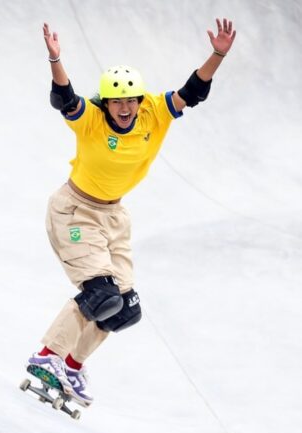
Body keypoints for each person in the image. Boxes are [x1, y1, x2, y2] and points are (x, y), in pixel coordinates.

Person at [27, 19, 236, 407]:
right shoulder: (90, 120)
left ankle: (72, 364)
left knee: (123, 309)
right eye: (116, 102)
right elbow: (64, 98)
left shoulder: (154, 113)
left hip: (113, 218)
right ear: (105, 103)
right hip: (75, 212)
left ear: (139, 101)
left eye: (130, 101)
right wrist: (56, 58)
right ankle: (46, 356)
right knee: (99, 294)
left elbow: (194, 91)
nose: (124, 109)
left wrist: (218, 54)